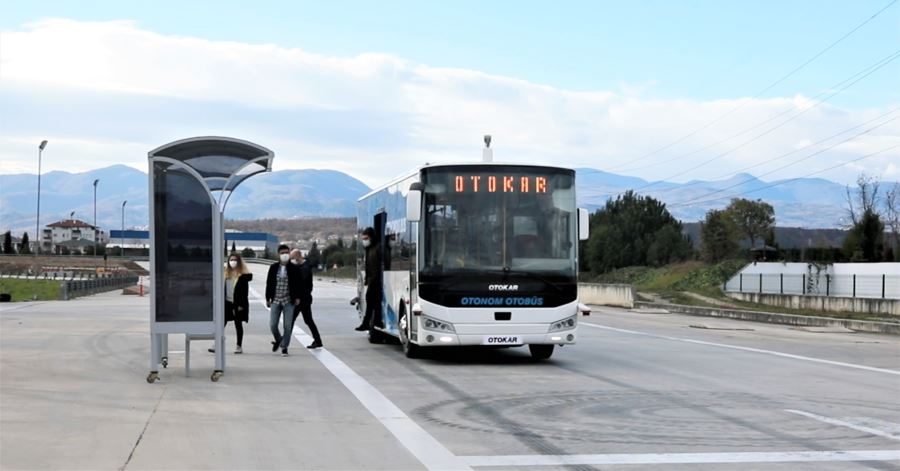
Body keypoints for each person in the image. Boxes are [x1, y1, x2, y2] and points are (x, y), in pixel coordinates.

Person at [210, 253, 253, 354]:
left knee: (238, 324)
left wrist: (241, 305)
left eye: (235, 260)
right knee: (221, 324)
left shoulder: (243, 276)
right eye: (231, 259)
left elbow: (244, 293)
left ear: (239, 262)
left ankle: (239, 346)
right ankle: (216, 344)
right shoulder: (225, 273)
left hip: (238, 304)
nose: (233, 261)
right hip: (227, 302)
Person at [266, 244, 301, 356]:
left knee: (287, 325)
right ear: (278, 254)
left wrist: (297, 297)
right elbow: (269, 283)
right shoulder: (273, 268)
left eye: (286, 253)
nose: (285, 255)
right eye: (282, 253)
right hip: (276, 300)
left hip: (288, 301)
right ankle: (279, 339)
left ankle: (284, 346)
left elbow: (298, 284)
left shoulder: (294, 269)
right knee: (273, 325)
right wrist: (268, 298)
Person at [290, 249, 322, 348]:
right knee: (308, 320)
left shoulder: (304, 268)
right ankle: (318, 341)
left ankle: (283, 341)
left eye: (293, 258)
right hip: (305, 298)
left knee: (291, 320)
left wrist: (297, 297)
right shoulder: (303, 266)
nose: (292, 260)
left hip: (302, 299)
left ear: (297, 256)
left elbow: (300, 284)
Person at [355, 227, 382, 331]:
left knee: (372, 301)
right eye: (363, 238)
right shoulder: (369, 249)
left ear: (371, 237)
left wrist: (372, 280)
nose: (364, 240)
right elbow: (368, 266)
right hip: (371, 279)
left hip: (375, 280)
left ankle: (369, 323)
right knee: (372, 302)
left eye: (366, 238)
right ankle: (373, 322)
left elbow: (377, 266)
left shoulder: (377, 248)